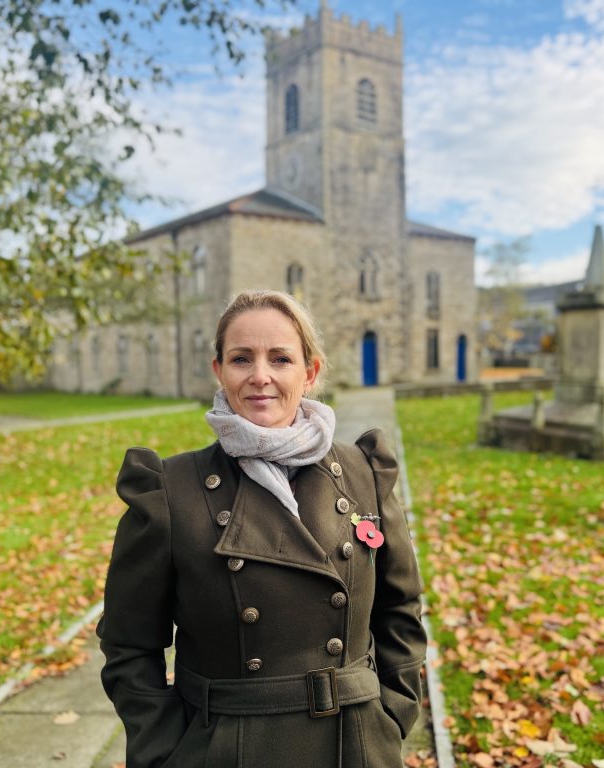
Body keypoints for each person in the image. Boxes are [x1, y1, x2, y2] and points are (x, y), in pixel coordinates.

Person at [97, 289, 427, 768]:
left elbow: (401, 608)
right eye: (241, 358)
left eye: (280, 358)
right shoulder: (170, 491)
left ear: (309, 373)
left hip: (353, 745)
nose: (260, 376)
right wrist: (165, 751)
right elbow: (129, 645)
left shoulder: (362, 473)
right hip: (225, 750)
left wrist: (392, 716)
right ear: (219, 371)